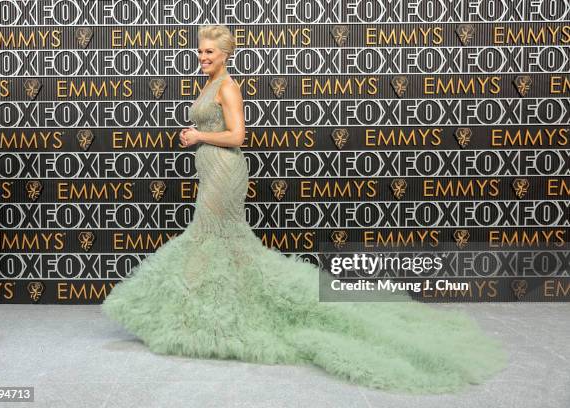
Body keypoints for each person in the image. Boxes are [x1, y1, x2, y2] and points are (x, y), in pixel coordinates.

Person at [101, 24, 507, 394]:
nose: (203, 57)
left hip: (224, 174)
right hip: (211, 172)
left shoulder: (227, 86)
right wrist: (199, 139)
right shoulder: (210, 84)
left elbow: (239, 134)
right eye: (201, 52)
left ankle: (199, 319)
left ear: (225, 54)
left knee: (207, 240)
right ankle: (212, 315)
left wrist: (197, 136)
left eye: (210, 52)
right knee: (224, 248)